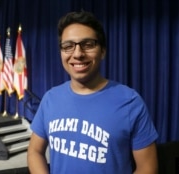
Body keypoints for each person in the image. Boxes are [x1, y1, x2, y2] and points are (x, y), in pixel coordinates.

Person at [28, 11, 158, 174]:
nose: (77, 54)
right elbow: (35, 151)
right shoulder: (50, 99)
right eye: (68, 46)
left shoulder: (130, 102)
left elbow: (148, 168)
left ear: (102, 51)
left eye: (88, 44)